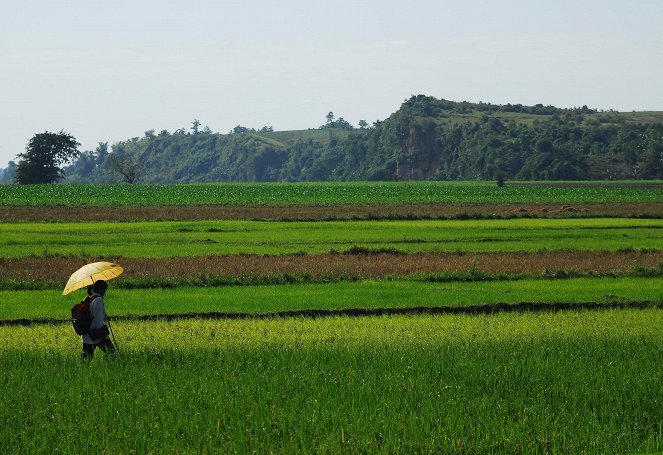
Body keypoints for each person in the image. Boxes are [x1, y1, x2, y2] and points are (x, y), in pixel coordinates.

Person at [81, 280, 116, 360]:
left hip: (87, 333)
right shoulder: (98, 300)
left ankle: (81, 371)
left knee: (86, 359)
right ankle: (112, 370)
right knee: (112, 354)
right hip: (96, 333)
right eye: (104, 290)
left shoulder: (88, 298)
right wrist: (103, 336)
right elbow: (98, 320)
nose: (105, 292)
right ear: (101, 289)